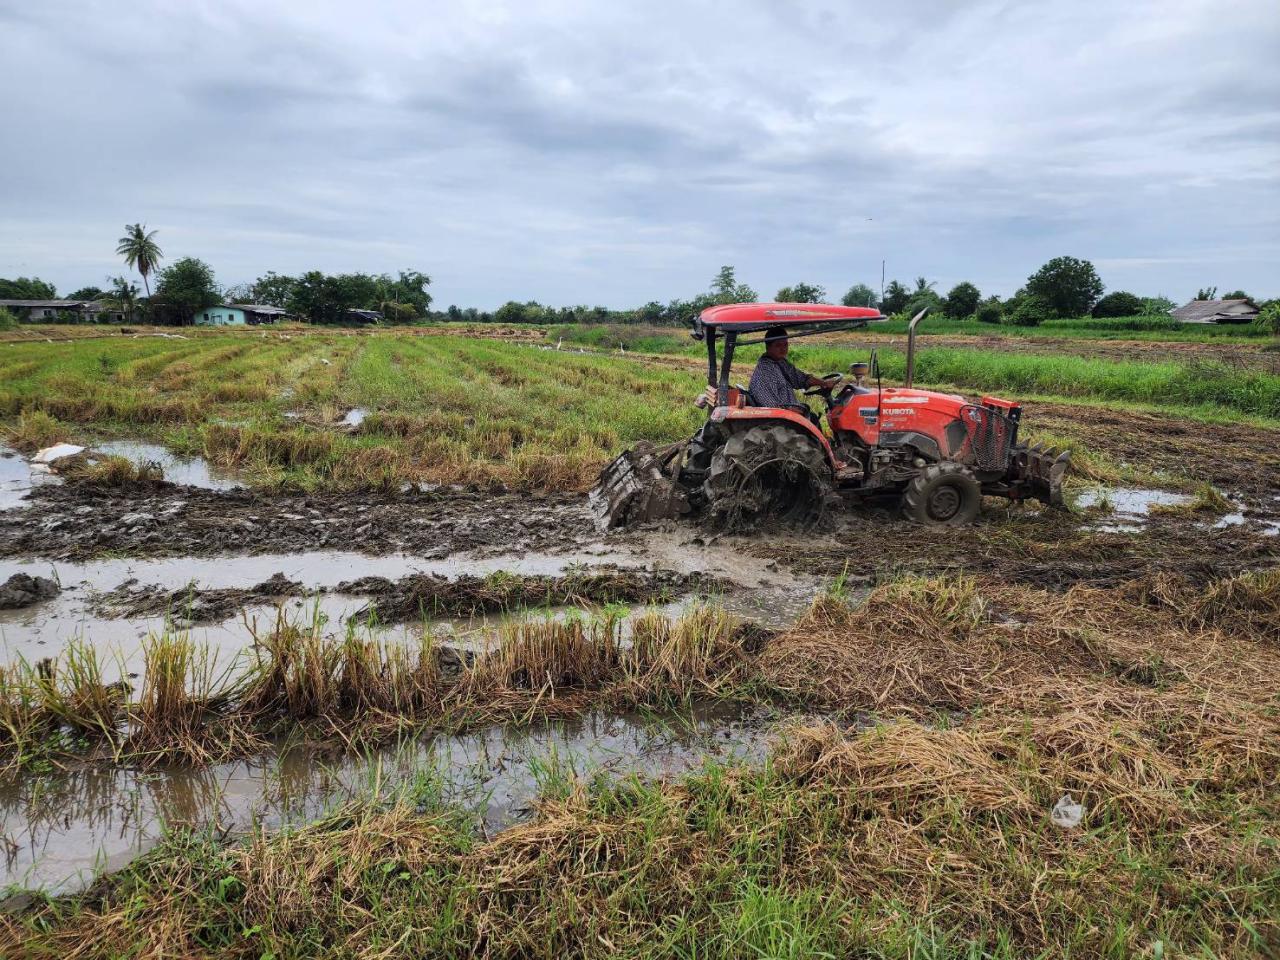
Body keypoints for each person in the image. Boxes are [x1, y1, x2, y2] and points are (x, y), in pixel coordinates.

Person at [748, 326, 838, 424]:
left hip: (790, 414)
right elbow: (769, 406)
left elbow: (801, 378)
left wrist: (823, 383)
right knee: (812, 419)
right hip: (781, 420)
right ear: (768, 347)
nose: (783, 349)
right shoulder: (764, 371)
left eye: (785, 345)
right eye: (778, 345)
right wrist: (792, 410)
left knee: (813, 417)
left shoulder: (780, 363)